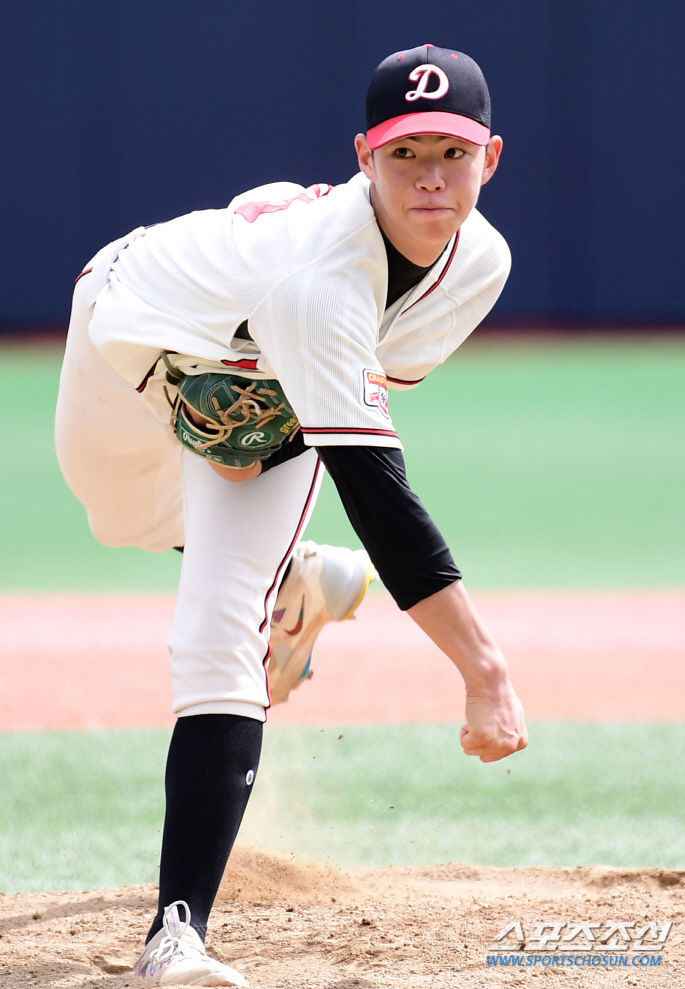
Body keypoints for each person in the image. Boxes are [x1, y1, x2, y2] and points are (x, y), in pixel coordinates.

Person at [55, 43, 528, 987]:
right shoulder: (318, 276)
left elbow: (354, 429)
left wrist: (276, 411)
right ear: (364, 155)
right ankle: (300, 575)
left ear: (492, 157)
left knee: (216, 626)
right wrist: (485, 668)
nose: (430, 177)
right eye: (405, 154)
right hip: (132, 337)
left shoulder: (479, 265)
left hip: (270, 383)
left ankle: (174, 935)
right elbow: (376, 489)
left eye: (452, 152)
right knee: (120, 518)